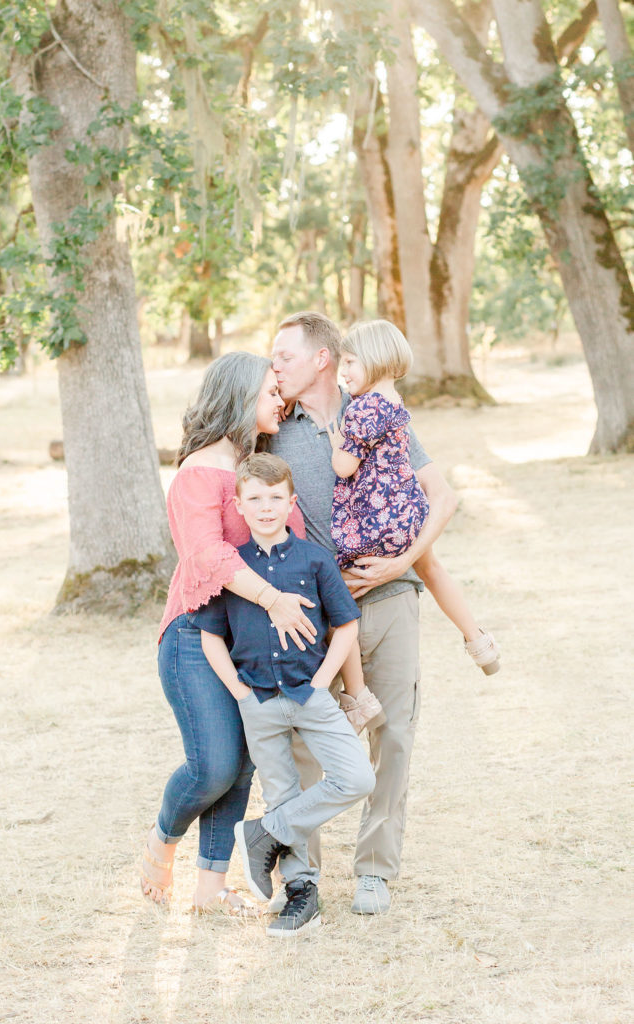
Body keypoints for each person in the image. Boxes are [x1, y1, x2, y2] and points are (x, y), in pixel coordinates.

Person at [270, 310, 458, 915]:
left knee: (394, 734)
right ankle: (301, 876)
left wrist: (402, 559)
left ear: (322, 358)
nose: (275, 367)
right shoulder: (274, 428)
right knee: (302, 741)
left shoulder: (376, 411)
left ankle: (375, 870)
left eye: (285, 356)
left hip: (390, 597)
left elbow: (439, 496)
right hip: (314, 613)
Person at [141, 351, 317, 915]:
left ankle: (211, 888)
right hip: (195, 634)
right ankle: (161, 841)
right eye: (270, 390)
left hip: (250, 642)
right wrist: (270, 597)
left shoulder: (258, 473)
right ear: (241, 394)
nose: (280, 400)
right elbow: (207, 554)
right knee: (213, 764)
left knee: (243, 765)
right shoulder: (199, 473)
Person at [196, 453, 375, 936]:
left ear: (291, 502)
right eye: (255, 498)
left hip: (310, 694)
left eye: (276, 498)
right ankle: (300, 890)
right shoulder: (234, 569)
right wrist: (238, 691)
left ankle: (263, 834)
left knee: (356, 777)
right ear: (239, 505)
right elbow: (210, 633)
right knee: (280, 791)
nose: (266, 507)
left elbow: (346, 624)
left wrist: (321, 683)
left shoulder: (314, 558)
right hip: (257, 699)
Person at [328, 319, 500, 675]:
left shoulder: (361, 409)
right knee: (430, 566)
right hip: (408, 509)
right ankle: (477, 640)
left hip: (375, 516)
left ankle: (355, 691)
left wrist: (336, 442)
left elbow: (345, 468)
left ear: (374, 359)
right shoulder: (394, 402)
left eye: (349, 362)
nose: (342, 371)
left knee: (338, 586)